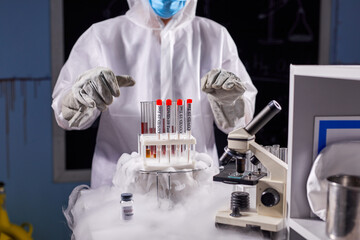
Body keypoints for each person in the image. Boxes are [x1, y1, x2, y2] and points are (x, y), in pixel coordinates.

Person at [52, 0, 257, 188]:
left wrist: (231, 103)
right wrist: (80, 98)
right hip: (120, 191)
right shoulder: (102, 36)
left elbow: (240, 124)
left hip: (196, 189)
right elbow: (66, 117)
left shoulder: (216, 37)